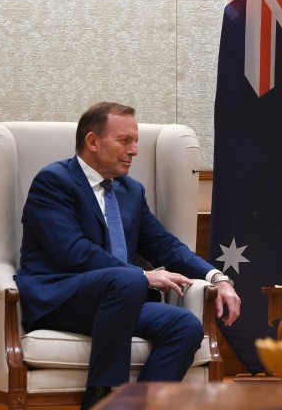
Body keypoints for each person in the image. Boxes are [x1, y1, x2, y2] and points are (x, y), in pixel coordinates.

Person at [15, 102, 241, 410]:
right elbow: (72, 252)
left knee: (184, 326)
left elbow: (165, 246)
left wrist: (218, 277)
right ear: (92, 141)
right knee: (128, 278)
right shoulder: (54, 182)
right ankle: (101, 395)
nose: (134, 150)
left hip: (121, 300)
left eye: (136, 141)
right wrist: (142, 276)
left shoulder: (130, 191)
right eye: (125, 140)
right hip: (61, 299)